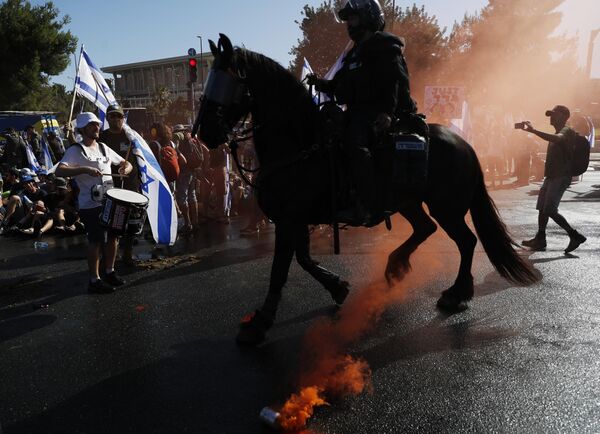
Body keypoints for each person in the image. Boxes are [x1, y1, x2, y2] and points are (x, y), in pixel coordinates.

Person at [307, 0, 417, 225]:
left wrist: (387, 112)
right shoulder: (353, 54)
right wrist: (319, 83)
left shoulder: (384, 46)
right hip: (357, 113)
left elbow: (394, 82)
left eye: (353, 18)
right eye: (347, 20)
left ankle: (370, 205)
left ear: (368, 17)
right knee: (326, 135)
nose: (349, 24)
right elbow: (339, 84)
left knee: (354, 142)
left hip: (382, 114)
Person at [55, 112, 133, 294]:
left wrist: (125, 168)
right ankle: (94, 279)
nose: (96, 127)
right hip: (90, 204)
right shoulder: (75, 150)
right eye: (92, 125)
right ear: (82, 129)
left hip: (110, 200)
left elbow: (126, 163)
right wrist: (84, 169)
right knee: (96, 240)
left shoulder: (104, 148)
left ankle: (110, 271)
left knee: (113, 237)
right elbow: (59, 171)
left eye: (97, 124)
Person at [519, 105, 586, 253]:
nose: (551, 117)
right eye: (550, 115)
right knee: (542, 209)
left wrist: (533, 130)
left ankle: (574, 235)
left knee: (549, 209)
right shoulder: (558, 132)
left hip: (561, 177)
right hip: (551, 177)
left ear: (564, 116)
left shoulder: (566, 131)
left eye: (554, 115)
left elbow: (557, 139)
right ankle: (540, 238)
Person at [99, 104, 141, 265]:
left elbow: (141, 157)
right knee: (109, 222)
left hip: (130, 184)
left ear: (123, 118)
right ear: (107, 118)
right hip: (109, 185)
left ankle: (128, 254)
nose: (116, 119)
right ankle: (109, 256)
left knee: (131, 220)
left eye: (119, 116)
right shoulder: (101, 137)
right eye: (112, 116)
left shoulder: (131, 136)